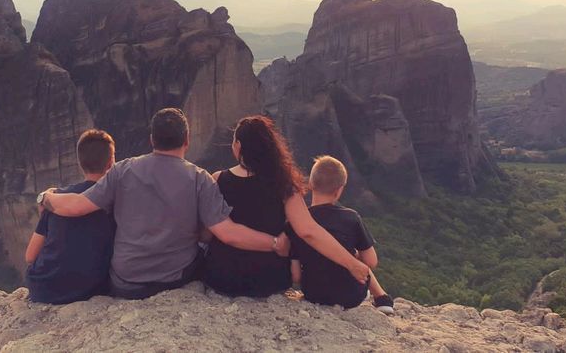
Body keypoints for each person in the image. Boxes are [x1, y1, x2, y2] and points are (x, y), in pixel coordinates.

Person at [39, 109, 355, 300]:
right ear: (187, 141)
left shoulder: (122, 170)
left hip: (127, 283)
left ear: (152, 140)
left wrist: (47, 196)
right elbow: (228, 232)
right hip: (177, 278)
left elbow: (75, 207)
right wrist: (275, 243)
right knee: (203, 243)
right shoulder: (200, 178)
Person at [202, 116, 371, 298]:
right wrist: (351, 263)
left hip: (223, 278)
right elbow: (308, 230)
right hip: (269, 281)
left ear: (238, 145)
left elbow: (207, 233)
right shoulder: (284, 184)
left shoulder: (218, 179)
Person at [288, 155, 395, 314]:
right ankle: (381, 297)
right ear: (339, 190)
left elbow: (296, 276)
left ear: (310, 184)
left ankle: (381, 297)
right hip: (351, 296)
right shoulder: (351, 217)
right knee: (355, 254)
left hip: (313, 294)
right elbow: (371, 261)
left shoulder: (297, 222)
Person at [25, 129, 117, 304]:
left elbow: (30, 256)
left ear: (80, 162)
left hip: (43, 289)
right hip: (91, 289)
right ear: (111, 163)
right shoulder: (115, 201)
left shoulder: (56, 201)